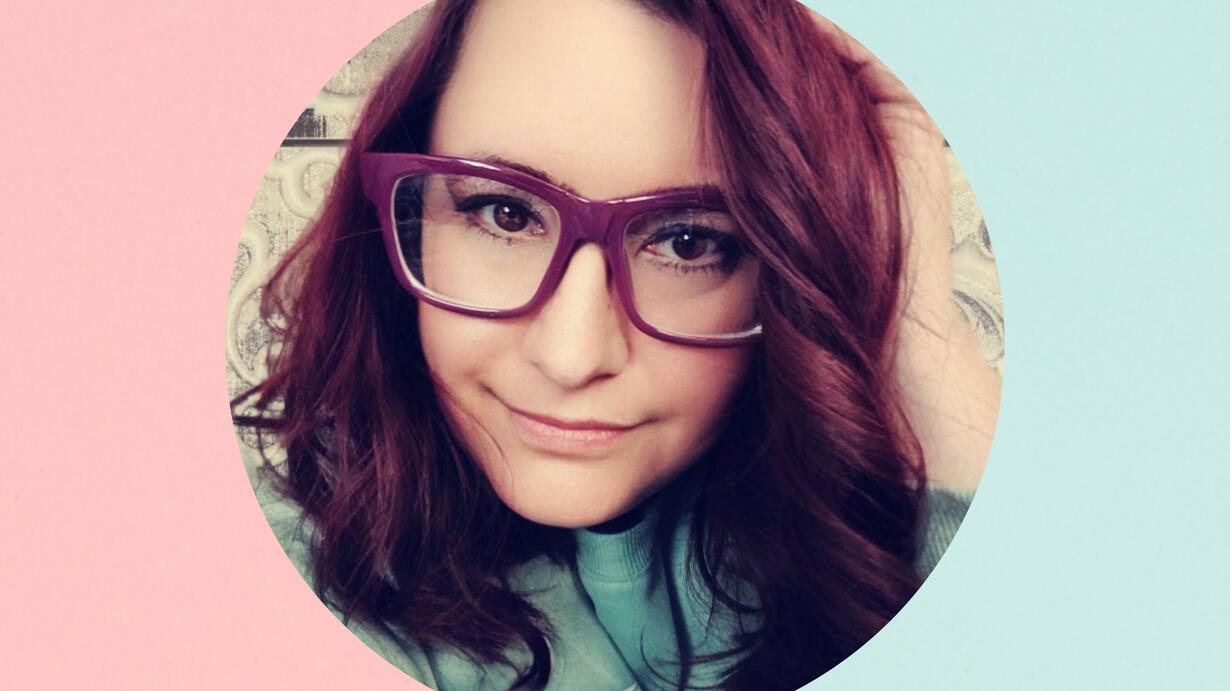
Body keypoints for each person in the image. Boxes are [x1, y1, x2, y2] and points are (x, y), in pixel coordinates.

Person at [234, 0, 1001, 689]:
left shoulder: (858, 537)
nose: (571, 357)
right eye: (504, 213)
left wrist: (921, 335)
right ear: (408, 218)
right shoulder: (275, 573)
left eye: (689, 241)